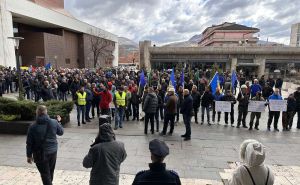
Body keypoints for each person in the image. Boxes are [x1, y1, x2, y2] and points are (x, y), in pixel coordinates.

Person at [26, 105, 64, 185]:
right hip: (53, 151)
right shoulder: (54, 122)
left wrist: (29, 156)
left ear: (37, 113)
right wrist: (59, 121)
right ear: (46, 112)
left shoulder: (33, 126)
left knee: (45, 174)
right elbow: (61, 132)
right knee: (50, 172)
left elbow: (29, 143)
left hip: (39, 154)